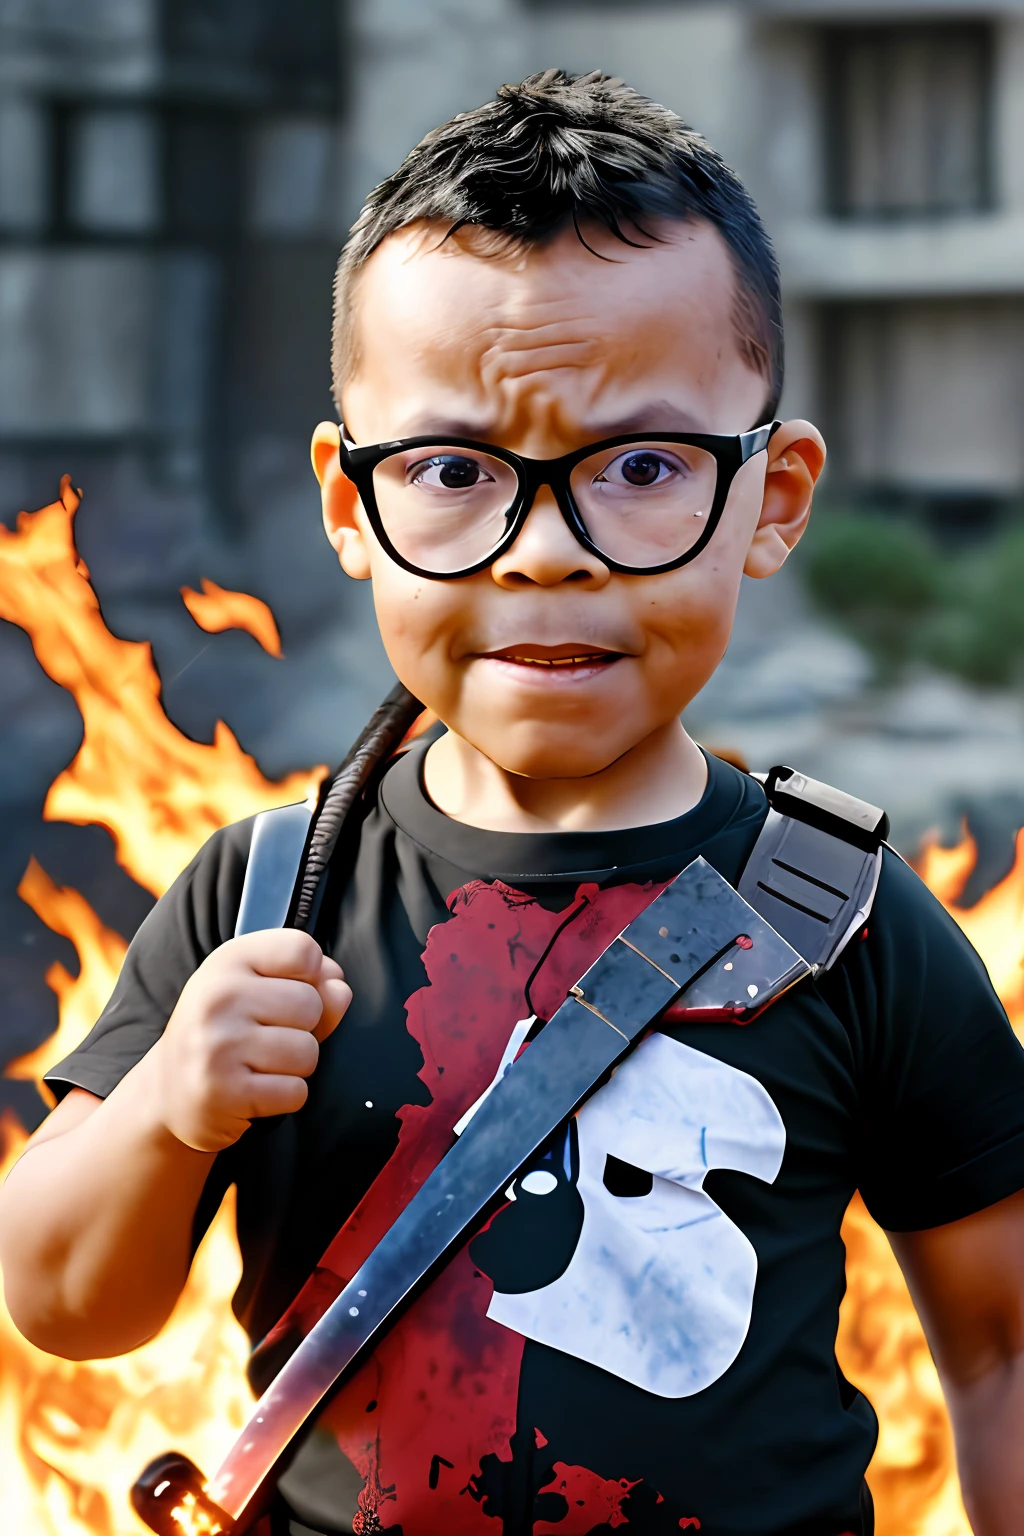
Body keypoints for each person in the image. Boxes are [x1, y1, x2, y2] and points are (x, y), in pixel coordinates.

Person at [2, 69, 1024, 1536]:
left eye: (645, 466)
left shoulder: (841, 913)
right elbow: (62, 1304)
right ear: (352, 506)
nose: (544, 552)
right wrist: (168, 1107)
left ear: (777, 497)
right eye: (453, 470)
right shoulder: (267, 892)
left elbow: (999, 1348)